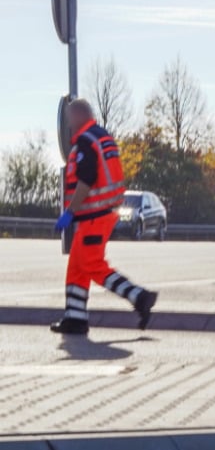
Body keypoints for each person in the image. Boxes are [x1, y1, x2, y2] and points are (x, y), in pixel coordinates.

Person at [51, 99, 158, 335]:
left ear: (79, 116)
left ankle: (140, 297)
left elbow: (86, 181)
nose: (68, 123)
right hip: (101, 214)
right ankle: (75, 317)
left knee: (93, 265)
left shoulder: (86, 141)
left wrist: (69, 212)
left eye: (70, 118)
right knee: (78, 266)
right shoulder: (102, 137)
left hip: (92, 216)